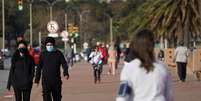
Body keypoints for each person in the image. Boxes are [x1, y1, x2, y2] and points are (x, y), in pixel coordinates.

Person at [116, 29, 173, 101]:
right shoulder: (162, 68)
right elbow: (169, 97)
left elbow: (122, 97)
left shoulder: (129, 68)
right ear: (153, 45)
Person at [35, 37, 70, 101]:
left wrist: (66, 73)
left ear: (53, 45)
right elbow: (39, 68)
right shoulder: (43, 54)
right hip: (46, 81)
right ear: (45, 45)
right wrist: (37, 80)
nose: (49, 46)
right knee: (46, 97)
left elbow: (64, 64)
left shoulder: (58, 53)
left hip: (56, 81)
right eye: (47, 45)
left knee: (57, 98)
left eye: (50, 44)